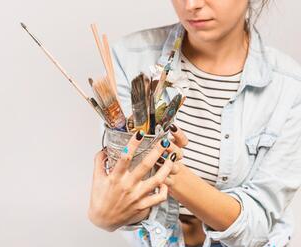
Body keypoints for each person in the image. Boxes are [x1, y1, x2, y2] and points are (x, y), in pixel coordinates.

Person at [88, 0, 301, 246]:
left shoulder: (290, 89)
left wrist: (172, 172)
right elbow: (124, 194)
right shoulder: (129, 58)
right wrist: (106, 213)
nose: (192, 5)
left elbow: (257, 227)